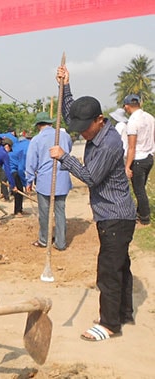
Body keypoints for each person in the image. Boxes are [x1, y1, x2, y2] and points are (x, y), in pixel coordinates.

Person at [50, 65, 136, 342]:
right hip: (112, 214)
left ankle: (109, 324)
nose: (82, 132)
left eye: (86, 128)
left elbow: (91, 177)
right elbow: (70, 112)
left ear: (100, 120)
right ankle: (124, 312)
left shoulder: (108, 144)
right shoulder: (95, 130)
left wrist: (64, 157)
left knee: (109, 271)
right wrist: (66, 86)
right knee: (120, 265)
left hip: (115, 216)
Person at [25, 112, 73, 250]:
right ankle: (61, 242)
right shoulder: (64, 136)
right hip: (62, 178)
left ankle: (44, 240)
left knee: (44, 213)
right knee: (60, 211)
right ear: (50, 123)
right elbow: (67, 151)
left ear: (38, 125)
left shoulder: (36, 140)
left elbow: (31, 162)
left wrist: (29, 180)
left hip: (45, 180)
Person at [123, 94, 155, 226]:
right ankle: (140, 212)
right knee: (142, 187)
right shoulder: (150, 117)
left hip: (138, 159)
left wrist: (127, 166)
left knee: (138, 190)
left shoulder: (132, 122)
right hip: (149, 156)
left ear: (126, 106)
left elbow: (132, 147)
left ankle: (144, 216)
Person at [0, 129, 18, 201]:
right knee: (12, 174)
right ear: (13, 133)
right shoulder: (15, 139)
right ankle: (13, 191)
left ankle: (6, 196)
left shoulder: (0, 136)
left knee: (3, 178)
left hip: (1, 156)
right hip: (13, 159)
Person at [9, 132, 31, 217]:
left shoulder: (19, 145)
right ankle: (17, 211)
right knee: (18, 191)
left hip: (14, 169)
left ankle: (20, 210)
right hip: (12, 170)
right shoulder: (25, 150)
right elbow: (21, 168)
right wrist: (26, 183)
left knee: (20, 189)